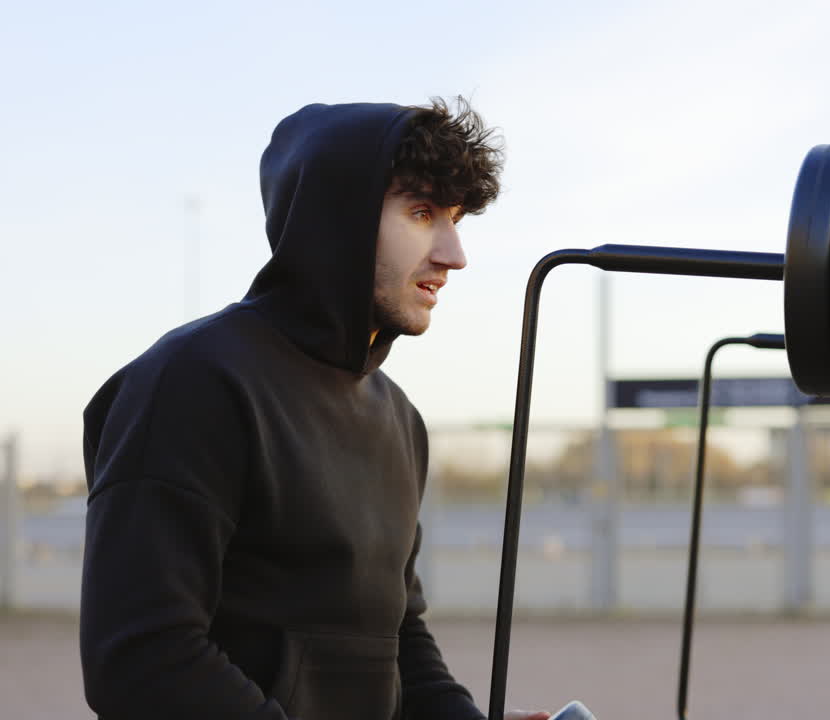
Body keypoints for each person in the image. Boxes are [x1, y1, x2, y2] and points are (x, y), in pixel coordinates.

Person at [80, 99, 550, 720]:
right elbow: (142, 658)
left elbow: (397, 641)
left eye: (456, 218)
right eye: (421, 212)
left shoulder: (399, 420)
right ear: (338, 218)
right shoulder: (194, 382)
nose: (453, 253)